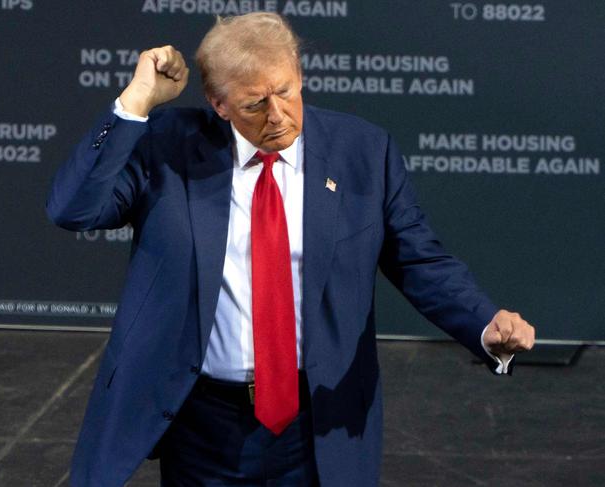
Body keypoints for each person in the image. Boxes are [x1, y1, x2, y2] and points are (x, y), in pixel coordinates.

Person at [47, 12, 535, 487]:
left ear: (300, 76)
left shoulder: (362, 151)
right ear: (219, 103)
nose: (277, 115)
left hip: (319, 422)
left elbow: (420, 260)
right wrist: (135, 102)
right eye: (255, 104)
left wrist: (484, 324)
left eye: (285, 91)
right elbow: (74, 210)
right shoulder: (168, 147)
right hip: (201, 424)